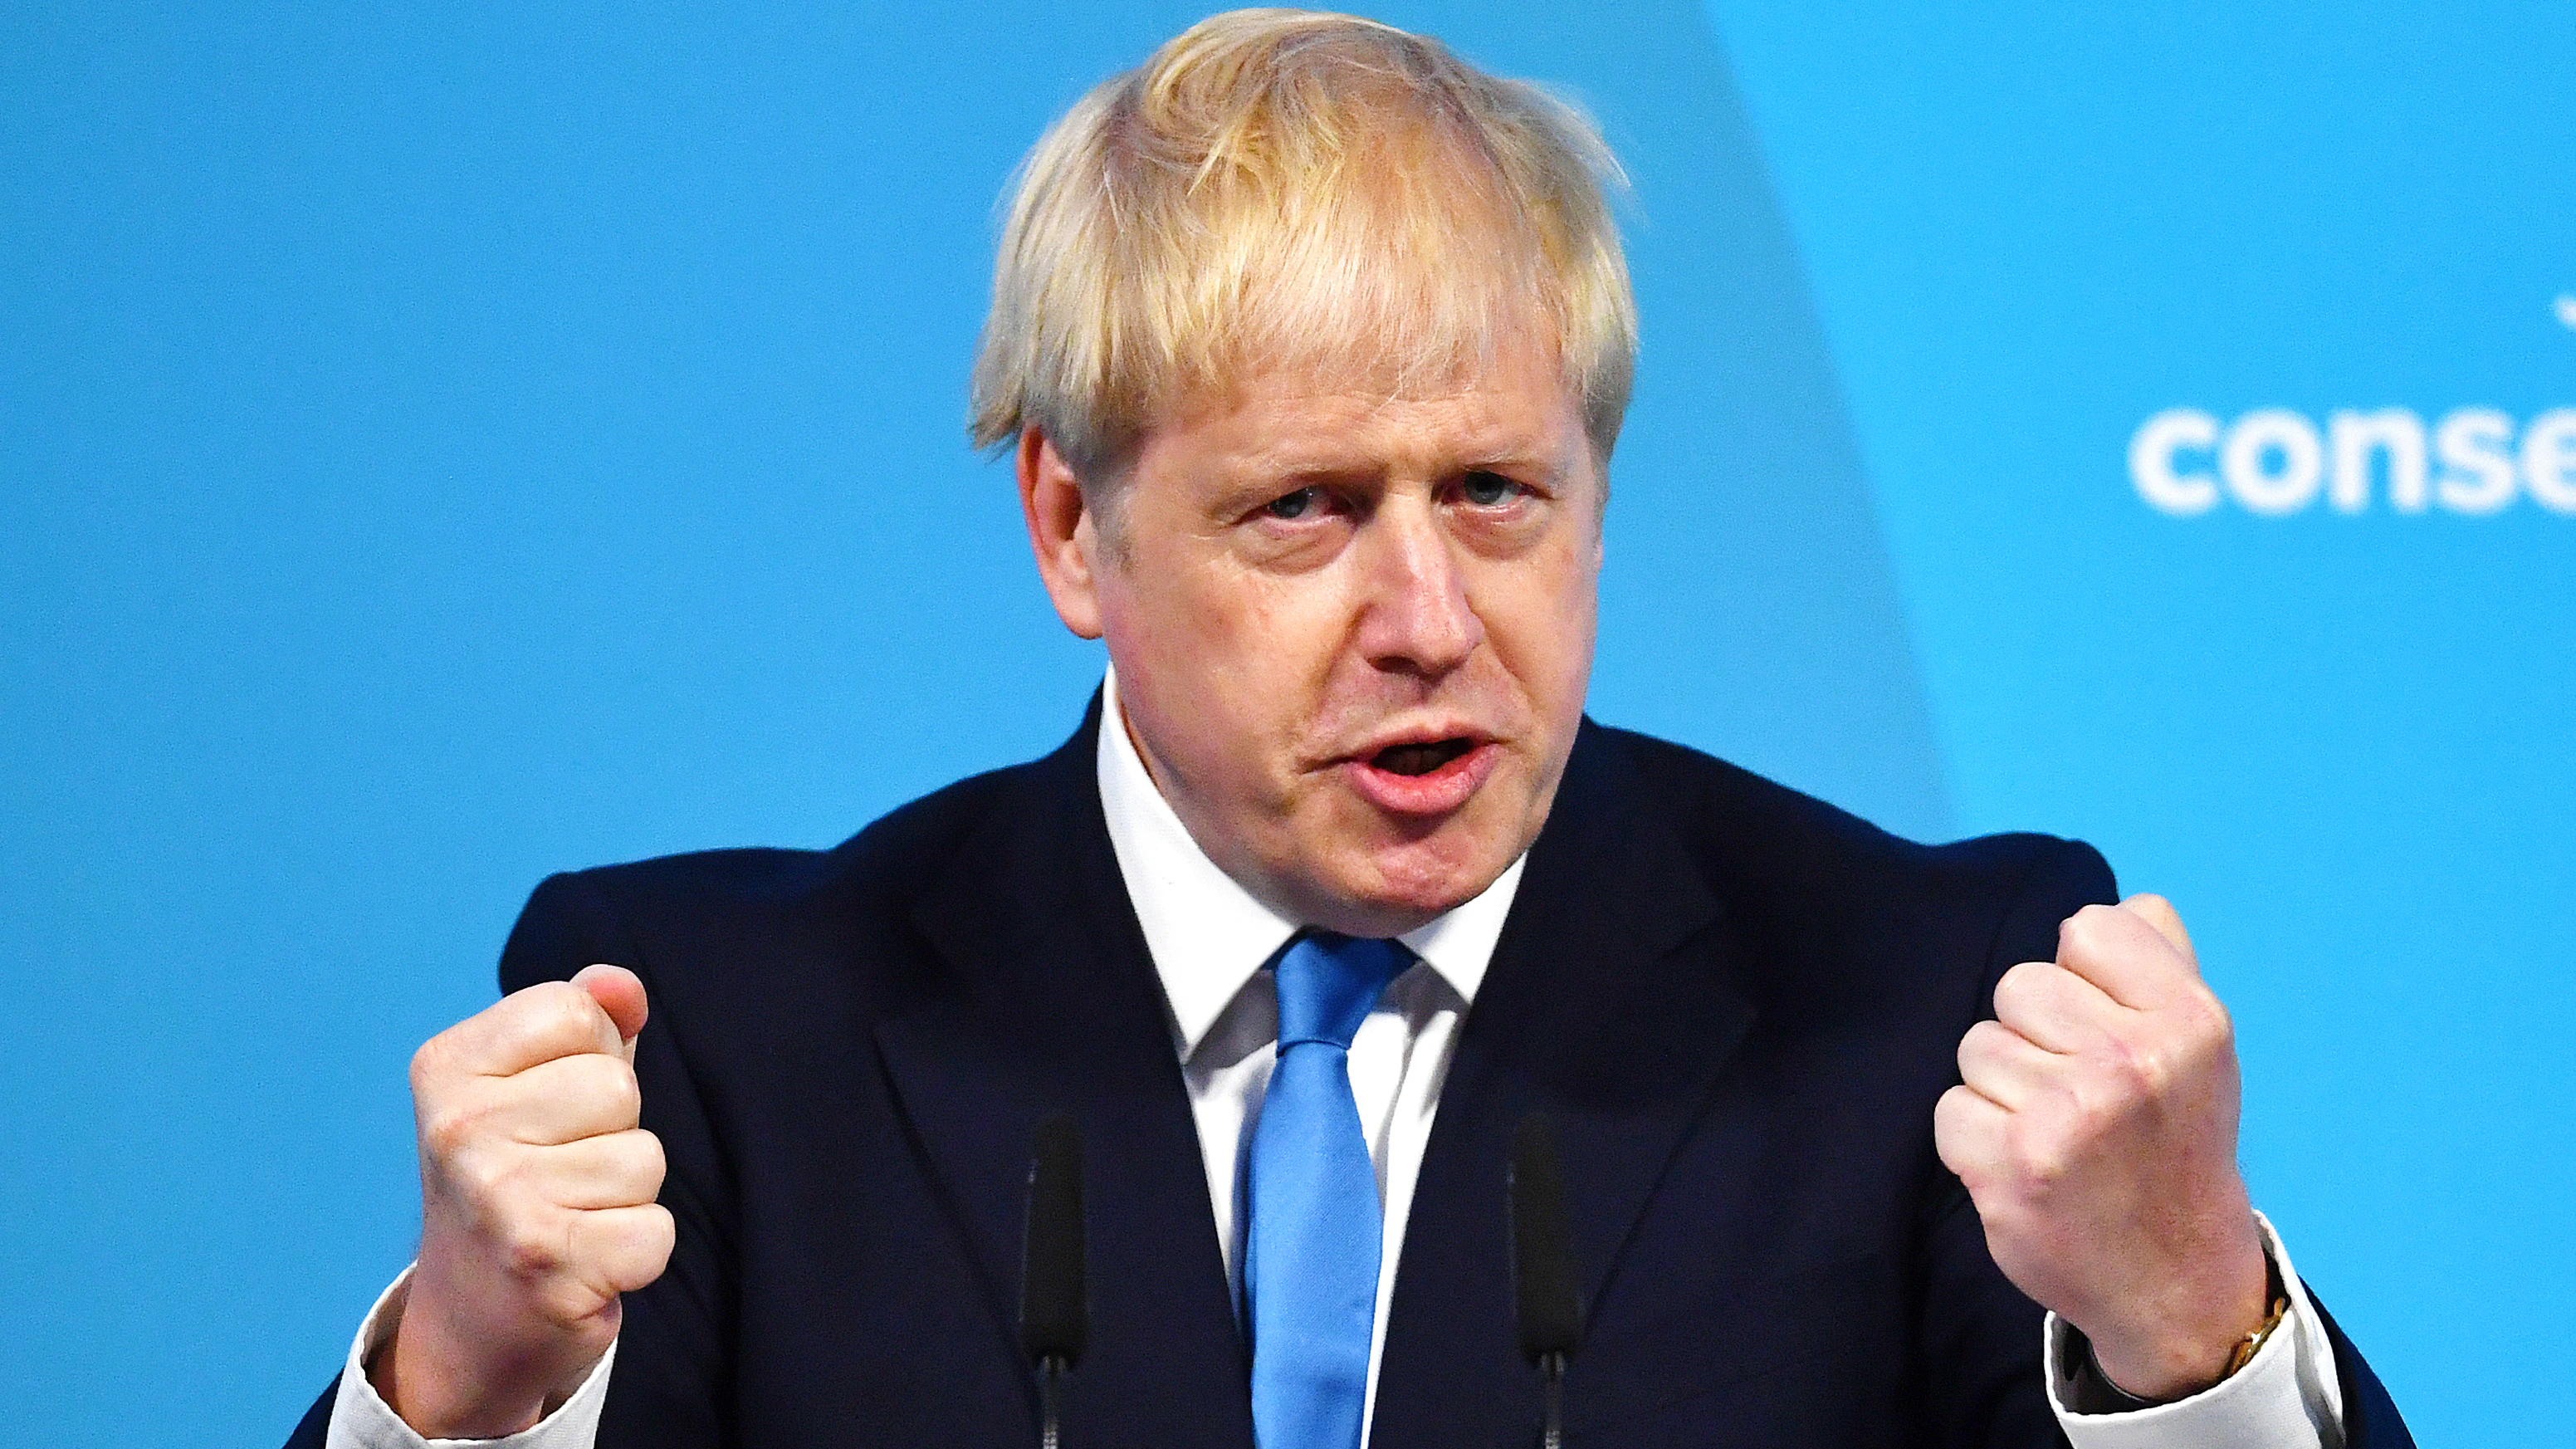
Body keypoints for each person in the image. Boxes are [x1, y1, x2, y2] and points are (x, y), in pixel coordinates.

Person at [288, 11, 2411, 1448]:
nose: (1427, 618)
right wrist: (467, 1385)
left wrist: (2186, 1323)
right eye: (1304, 508)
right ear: (1068, 521)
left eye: (1497, 492)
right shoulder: (719, 1040)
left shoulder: (1930, 1003)